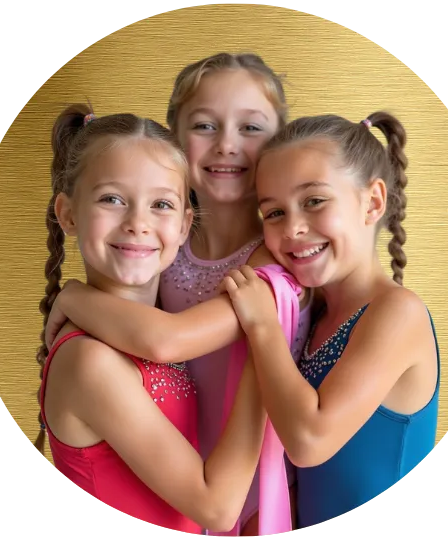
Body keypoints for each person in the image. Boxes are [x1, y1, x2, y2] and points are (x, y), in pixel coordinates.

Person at [44, 53, 314, 536]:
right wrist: (262, 345)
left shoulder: (277, 259)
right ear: (67, 214)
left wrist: (73, 297)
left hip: (256, 496)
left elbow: (164, 342)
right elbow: (163, 340)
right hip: (213, 495)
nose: (139, 223)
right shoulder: (93, 359)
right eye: (111, 198)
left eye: (161, 205)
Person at [220, 111, 440, 527]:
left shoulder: (398, 313)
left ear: (372, 202)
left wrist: (262, 324)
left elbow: (308, 440)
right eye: (274, 213)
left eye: (314, 201)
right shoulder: (315, 316)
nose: (293, 229)